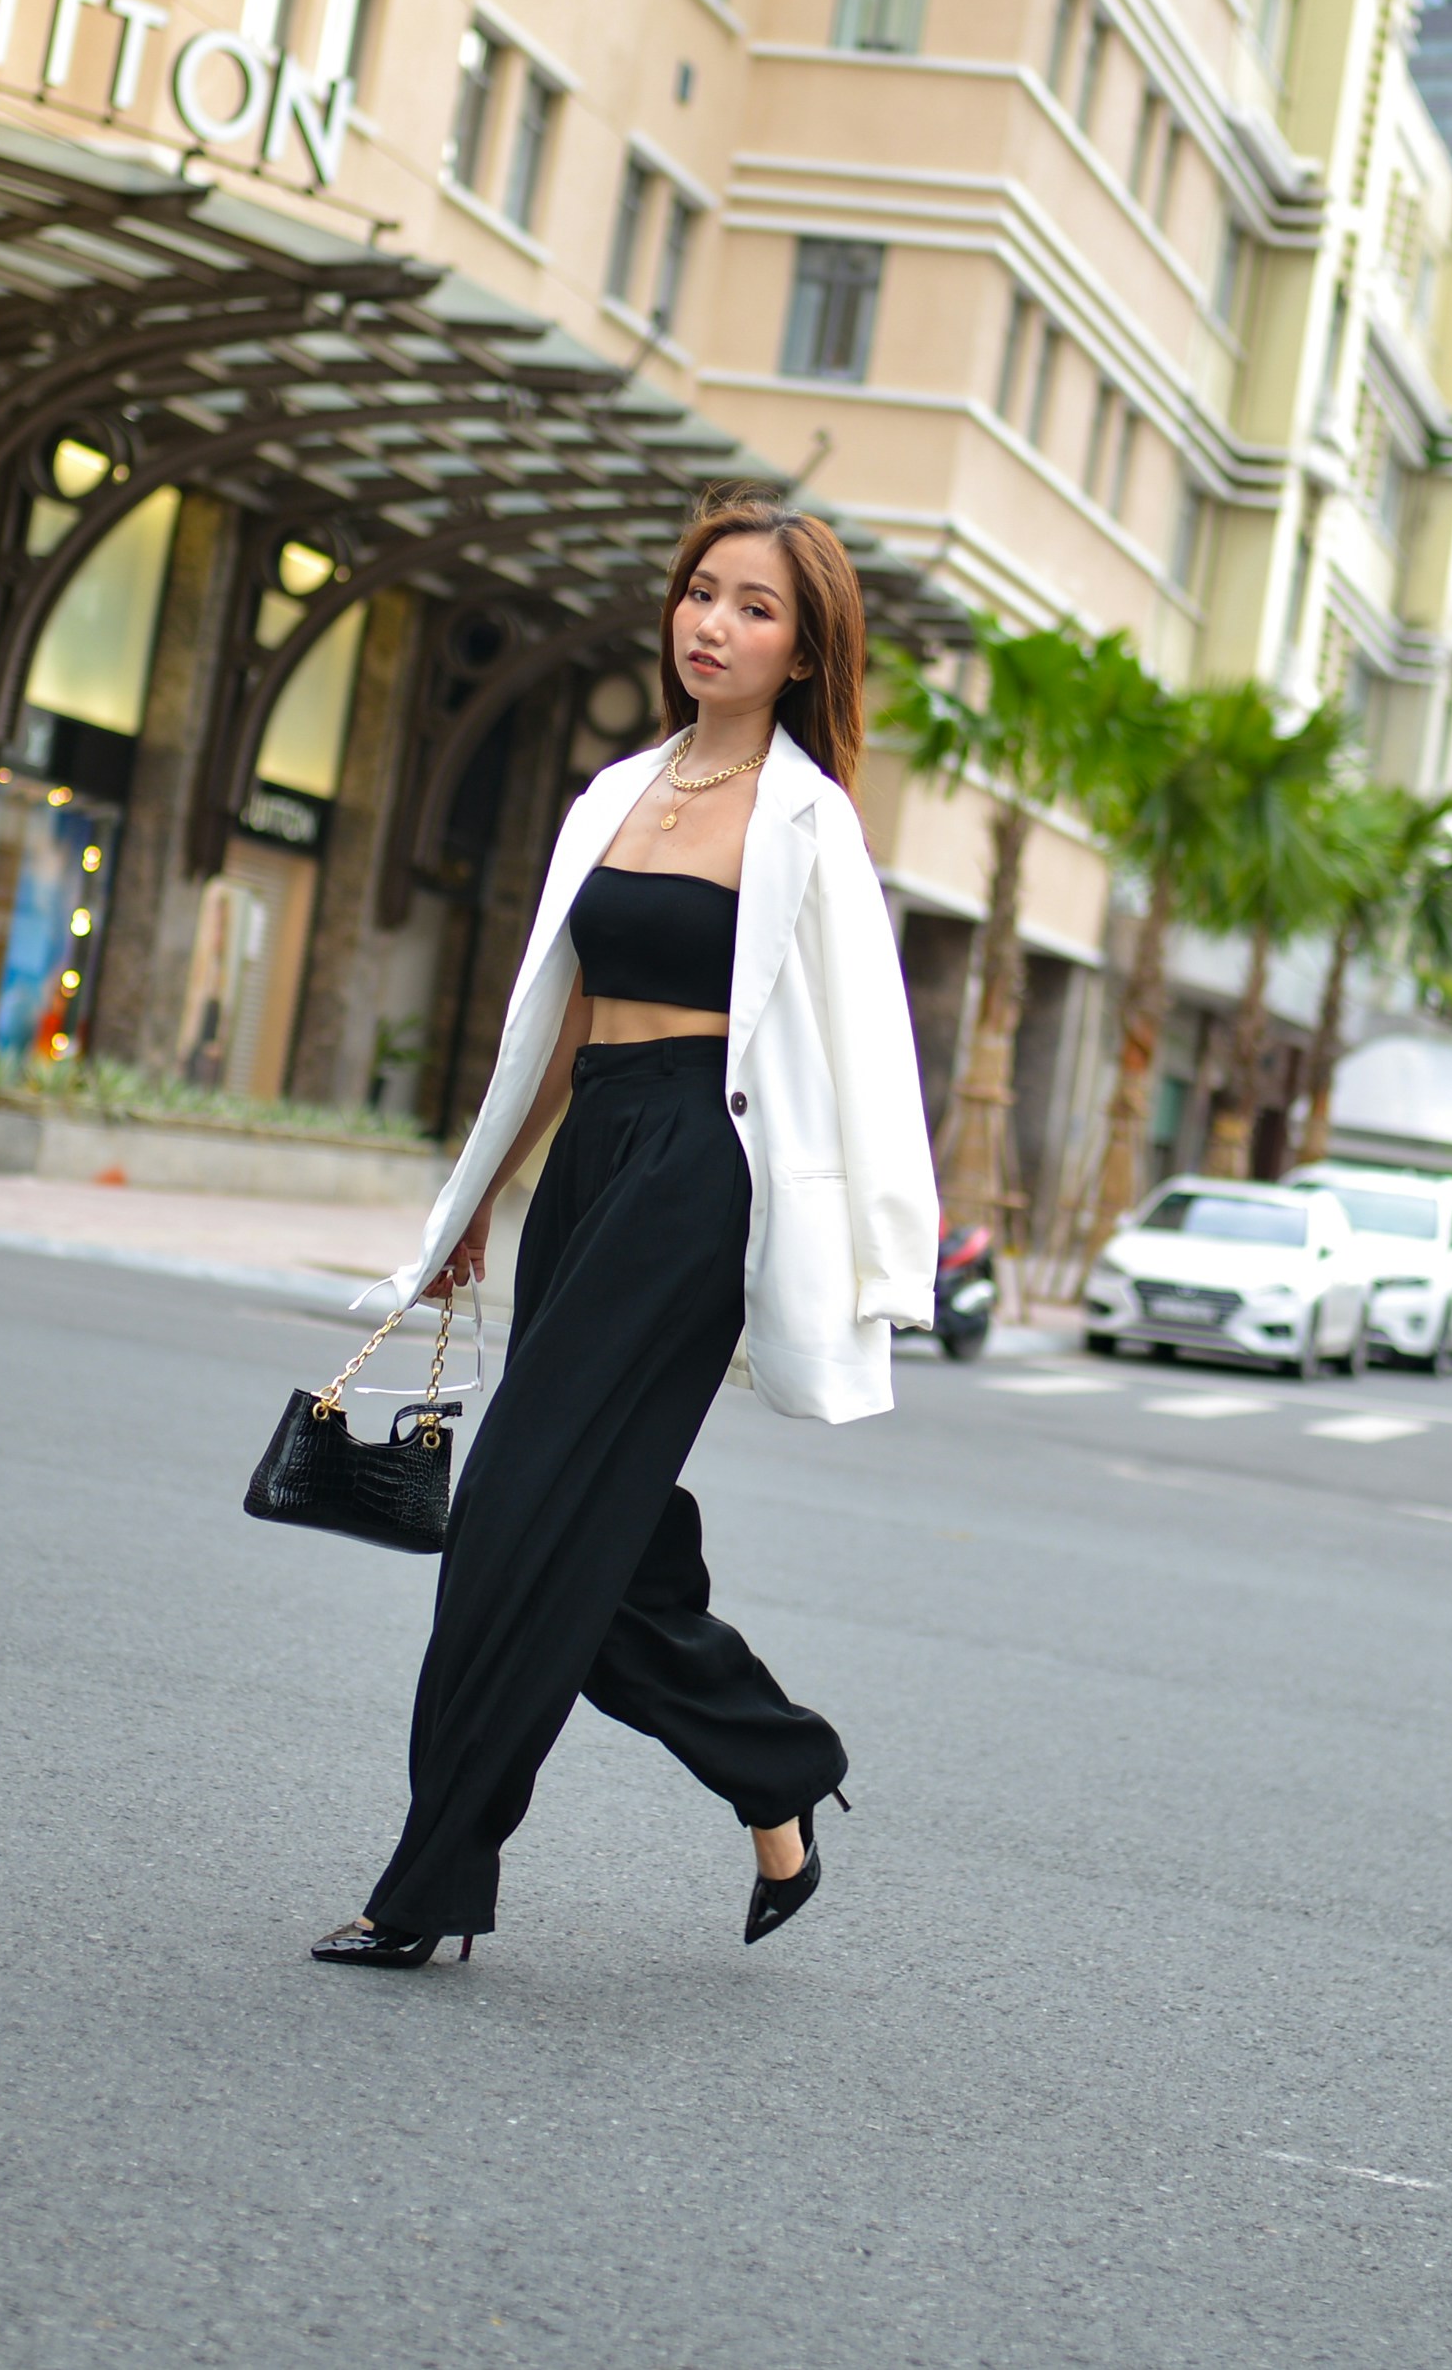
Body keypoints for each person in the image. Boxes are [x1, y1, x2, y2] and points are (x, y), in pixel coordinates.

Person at [314, 494, 935, 1971]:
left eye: (754, 606)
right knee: (595, 1530)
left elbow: (866, 1050)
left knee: (514, 1516)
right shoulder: (614, 792)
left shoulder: (807, 819)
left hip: (692, 1177)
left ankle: (429, 1886)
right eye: (699, 593)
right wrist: (475, 1205)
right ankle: (772, 1765)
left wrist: (882, 1260)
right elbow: (560, 1011)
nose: (712, 623)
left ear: (801, 651)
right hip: (593, 1150)